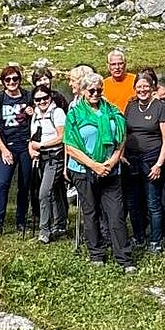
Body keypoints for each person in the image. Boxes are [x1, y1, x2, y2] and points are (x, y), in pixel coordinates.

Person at [65, 72, 135, 272]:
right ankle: (96, 253)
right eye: (91, 90)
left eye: (98, 90)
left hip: (111, 170)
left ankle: (124, 258)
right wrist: (94, 165)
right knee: (91, 212)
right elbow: (70, 146)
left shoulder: (112, 111)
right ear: (83, 91)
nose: (95, 93)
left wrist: (112, 161)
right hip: (83, 171)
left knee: (116, 214)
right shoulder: (75, 114)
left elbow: (121, 137)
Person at [123, 71, 165, 253]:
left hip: (152, 159)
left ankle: (155, 240)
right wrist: (121, 154)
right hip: (131, 160)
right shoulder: (131, 106)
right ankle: (138, 237)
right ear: (134, 88)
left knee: (153, 202)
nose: (142, 90)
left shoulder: (160, 107)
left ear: (152, 88)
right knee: (133, 202)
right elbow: (124, 132)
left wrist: (159, 164)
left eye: (146, 86)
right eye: (139, 86)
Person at [0, 65, 33, 239]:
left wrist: (32, 112)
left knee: (24, 185)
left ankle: (21, 221)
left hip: (26, 146)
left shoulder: (28, 96)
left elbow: (38, 119)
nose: (12, 82)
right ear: (3, 82)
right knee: (3, 184)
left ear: (20, 79)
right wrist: (3, 149)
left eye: (15, 78)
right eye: (8, 79)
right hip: (8, 146)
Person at [29, 85, 67, 243]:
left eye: (45, 98)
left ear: (50, 97)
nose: (42, 101)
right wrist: (32, 149)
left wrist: (42, 145)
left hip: (55, 157)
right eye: (38, 99)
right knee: (56, 190)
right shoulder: (36, 115)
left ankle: (44, 231)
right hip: (41, 158)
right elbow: (33, 137)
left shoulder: (57, 112)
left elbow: (62, 137)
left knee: (44, 193)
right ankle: (60, 225)